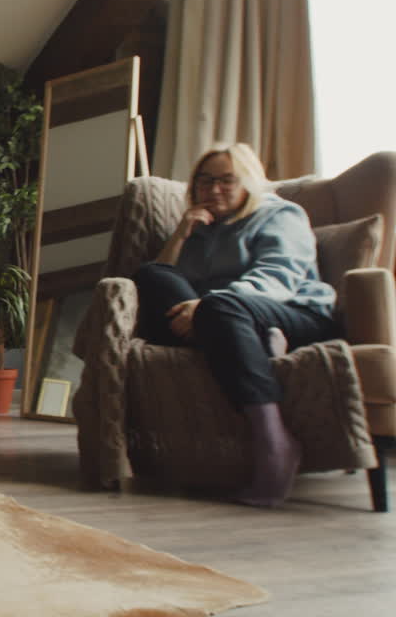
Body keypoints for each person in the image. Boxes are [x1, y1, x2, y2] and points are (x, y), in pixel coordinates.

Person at [132, 143, 337, 507]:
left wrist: (208, 305)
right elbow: (166, 280)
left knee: (220, 308)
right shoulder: (199, 228)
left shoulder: (281, 214)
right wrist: (181, 233)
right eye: (205, 181)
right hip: (221, 320)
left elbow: (278, 276)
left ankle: (275, 442)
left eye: (227, 180)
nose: (213, 190)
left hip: (295, 312)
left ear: (249, 183)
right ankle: (253, 343)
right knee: (151, 274)